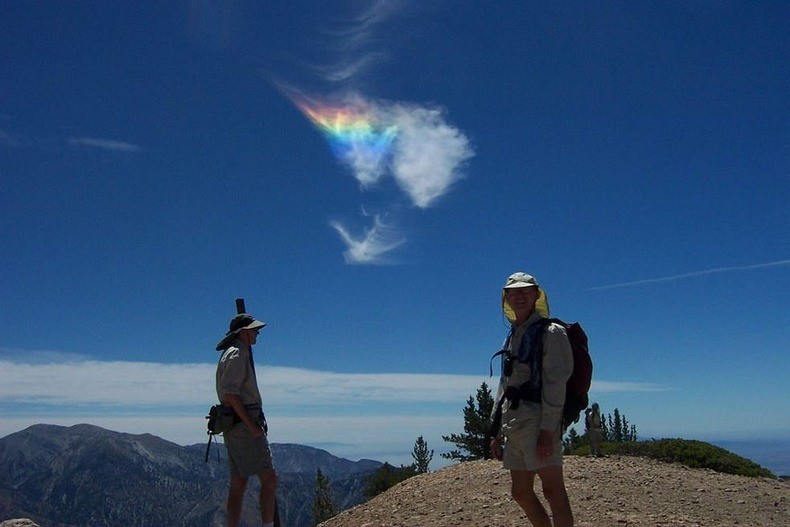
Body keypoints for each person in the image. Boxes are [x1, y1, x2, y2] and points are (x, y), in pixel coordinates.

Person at [490, 272, 575, 527]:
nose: (519, 296)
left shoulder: (552, 332)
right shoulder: (514, 334)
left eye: (525, 291)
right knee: (520, 492)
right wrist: (494, 429)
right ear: (506, 296)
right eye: (513, 291)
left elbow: (555, 384)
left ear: (536, 294)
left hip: (538, 420)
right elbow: (505, 384)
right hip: (515, 421)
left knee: (553, 491)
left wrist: (548, 430)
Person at [215, 313, 278, 527]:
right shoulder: (238, 354)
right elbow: (231, 394)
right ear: (244, 332)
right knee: (269, 478)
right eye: (254, 330)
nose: (257, 333)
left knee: (239, 482)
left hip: (234, 424)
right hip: (244, 423)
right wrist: (252, 425)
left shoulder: (233, 352)